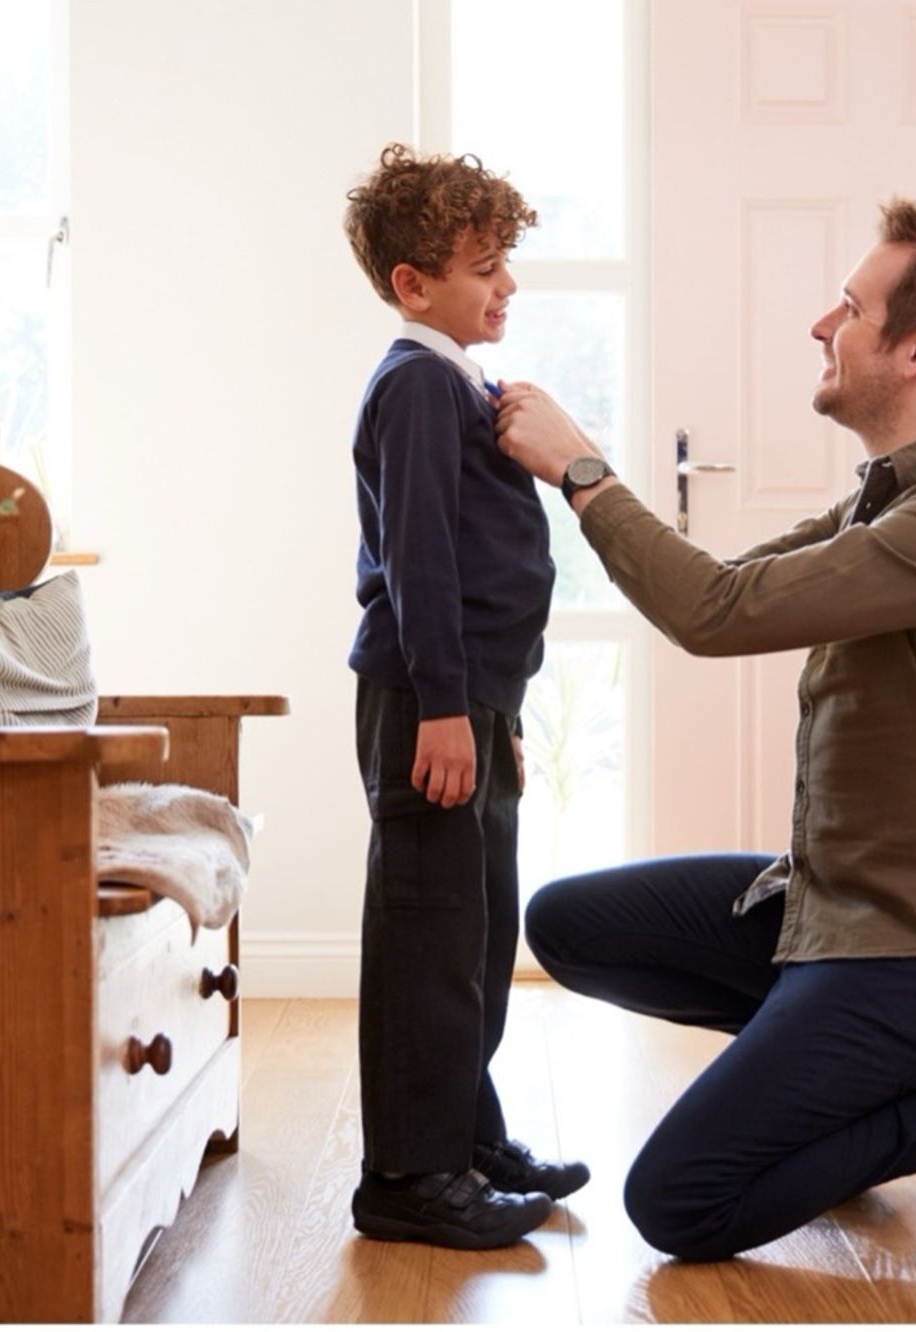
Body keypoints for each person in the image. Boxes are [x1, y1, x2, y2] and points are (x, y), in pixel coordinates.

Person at [492, 200, 916, 1261]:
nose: (817, 325)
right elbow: (728, 584)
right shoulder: (885, 500)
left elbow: (710, 616)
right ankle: (831, 1102)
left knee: (680, 1203)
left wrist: (581, 468)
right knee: (569, 924)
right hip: (833, 907)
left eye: (849, 306)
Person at [340, 143, 589, 1250]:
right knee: (428, 936)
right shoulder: (414, 387)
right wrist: (445, 706)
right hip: (426, 701)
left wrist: (495, 713)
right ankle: (407, 1173)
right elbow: (422, 558)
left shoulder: (456, 382)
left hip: (470, 702)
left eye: (505, 262)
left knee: (477, 934)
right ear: (412, 282)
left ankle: (464, 1133)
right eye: (483, 265)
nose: (507, 285)